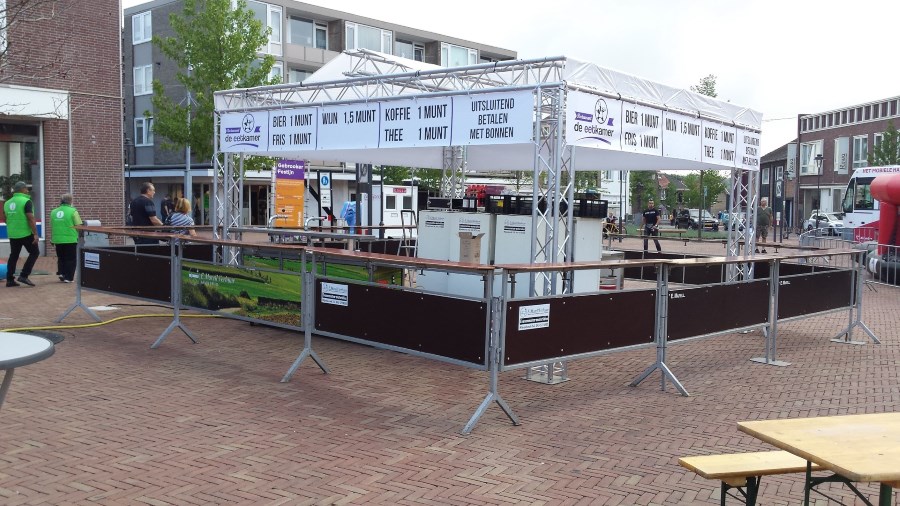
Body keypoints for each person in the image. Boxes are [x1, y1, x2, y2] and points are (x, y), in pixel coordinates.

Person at [4, 181, 40, 287]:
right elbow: (30, 218)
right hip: (25, 233)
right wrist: (35, 234)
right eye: (26, 188)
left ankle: (9, 280)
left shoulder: (7, 203)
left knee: (14, 255)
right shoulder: (26, 201)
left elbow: (6, 219)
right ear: (22, 189)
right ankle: (24, 275)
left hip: (13, 234)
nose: (27, 190)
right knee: (34, 252)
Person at [50, 193, 83, 283]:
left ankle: (61, 273)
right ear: (70, 201)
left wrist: (52, 238)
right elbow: (78, 226)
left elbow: (52, 226)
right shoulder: (73, 211)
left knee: (61, 257)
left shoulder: (53, 212)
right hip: (70, 239)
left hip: (57, 239)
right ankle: (68, 277)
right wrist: (80, 235)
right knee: (71, 259)